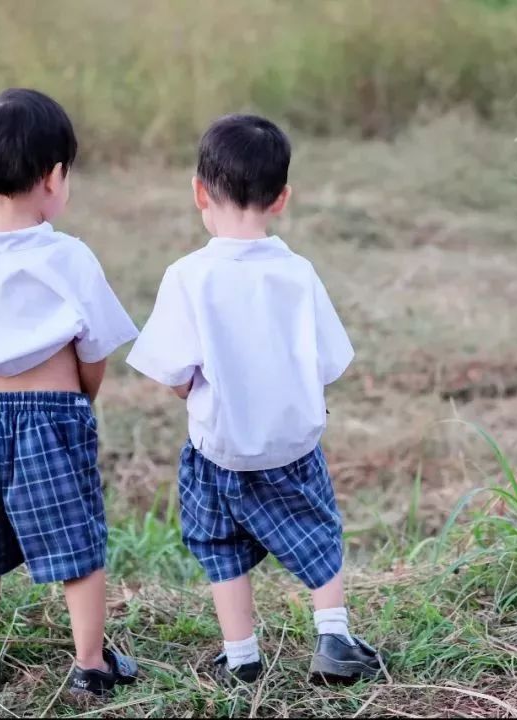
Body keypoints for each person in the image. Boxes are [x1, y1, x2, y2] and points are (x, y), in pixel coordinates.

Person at [127, 114, 384, 685]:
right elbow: (327, 364)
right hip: (292, 446)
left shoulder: (189, 276)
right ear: (282, 199)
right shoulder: (298, 273)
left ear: (199, 192)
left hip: (218, 449)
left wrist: (194, 392)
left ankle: (241, 654)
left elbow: (173, 371)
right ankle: (334, 634)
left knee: (220, 545)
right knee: (317, 531)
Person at [0, 88, 141, 698]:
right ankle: (91, 665)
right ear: (53, 176)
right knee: (78, 542)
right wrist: (78, 398)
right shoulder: (68, 256)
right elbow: (93, 352)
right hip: (55, 417)